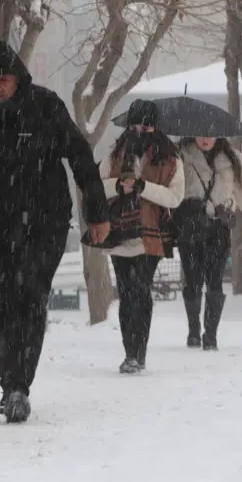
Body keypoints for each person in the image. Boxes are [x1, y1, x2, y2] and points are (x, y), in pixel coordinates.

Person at [0, 41, 111, 424]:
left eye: (2, 81)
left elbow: (79, 155)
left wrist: (97, 212)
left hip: (47, 220)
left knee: (30, 295)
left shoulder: (45, 105)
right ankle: (9, 381)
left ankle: (20, 385)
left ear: (18, 78)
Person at [98, 100, 183, 374]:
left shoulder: (170, 159)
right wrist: (119, 186)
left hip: (151, 234)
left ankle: (139, 351)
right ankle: (129, 353)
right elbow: (98, 186)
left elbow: (174, 197)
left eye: (145, 126)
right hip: (120, 233)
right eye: (134, 125)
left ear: (155, 127)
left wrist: (143, 187)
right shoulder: (115, 154)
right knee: (126, 292)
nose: (139, 130)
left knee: (140, 289)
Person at [176, 136, 242, 350]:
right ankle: (194, 330)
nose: (205, 139)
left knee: (215, 281)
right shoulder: (181, 157)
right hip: (190, 227)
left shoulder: (231, 161)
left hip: (218, 228)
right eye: (200, 134)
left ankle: (210, 335)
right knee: (192, 280)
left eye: (209, 134)